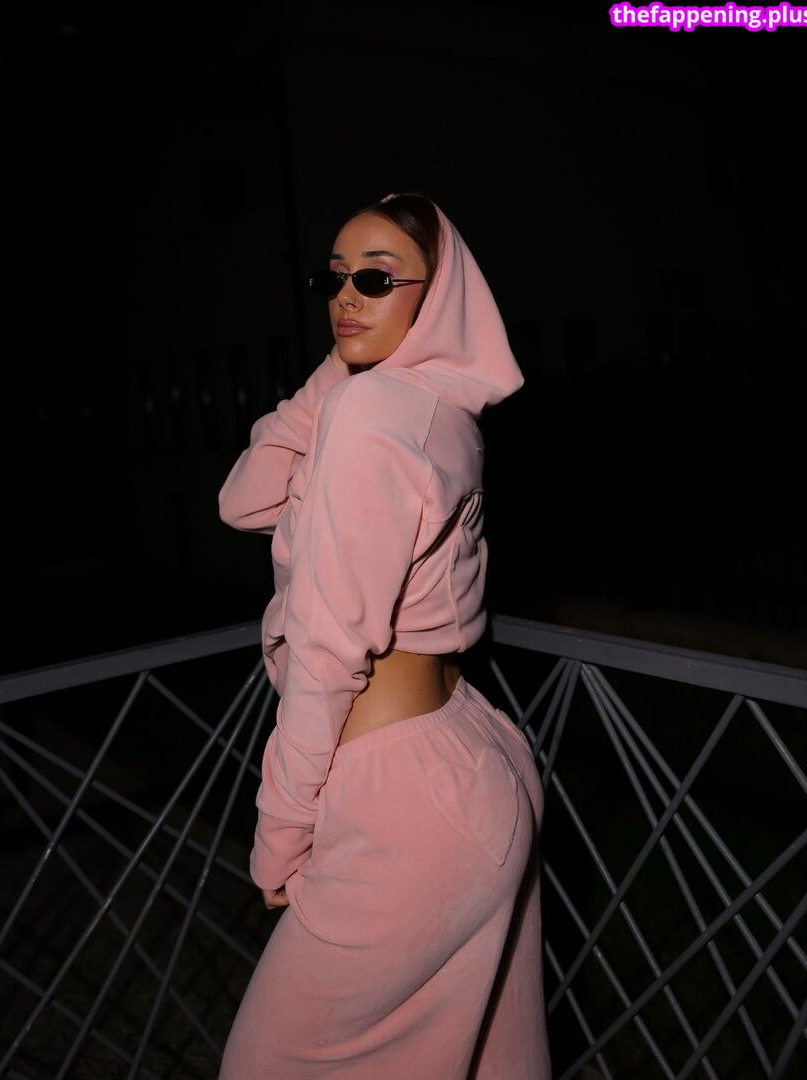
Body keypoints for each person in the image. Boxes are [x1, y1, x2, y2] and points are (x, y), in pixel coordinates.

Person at [217, 193, 551, 1078]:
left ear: (433, 296)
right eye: (335, 279)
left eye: (375, 278)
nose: (345, 296)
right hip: (471, 753)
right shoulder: (432, 407)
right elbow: (243, 499)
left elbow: (326, 653)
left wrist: (280, 833)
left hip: (399, 801)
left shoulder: (371, 417)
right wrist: (340, 364)